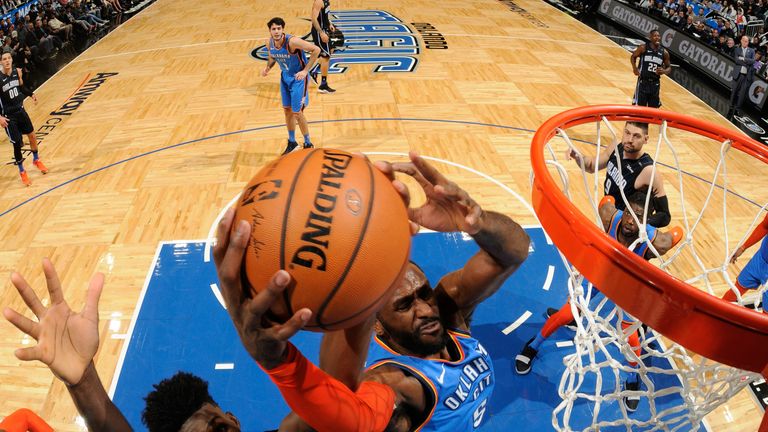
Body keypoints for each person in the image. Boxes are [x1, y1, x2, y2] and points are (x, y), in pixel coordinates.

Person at [515, 192, 684, 413]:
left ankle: (633, 379)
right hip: (601, 273)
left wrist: (672, 228)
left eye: (638, 217)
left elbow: (677, 234)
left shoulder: (654, 240)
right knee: (567, 314)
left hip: (627, 284)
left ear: (646, 221)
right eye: (629, 213)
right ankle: (533, 345)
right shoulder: (610, 217)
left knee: (631, 337)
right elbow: (607, 199)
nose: (631, 220)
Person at [566, 121, 671, 228]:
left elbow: (665, 215)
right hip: (608, 216)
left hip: (626, 229)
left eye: (636, 136)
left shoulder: (648, 171)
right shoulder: (617, 146)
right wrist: (577, 156)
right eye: (627, 133)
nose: (630, 140)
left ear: (646, 139)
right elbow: (591, 165)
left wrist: (639, 222)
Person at [262, 17, 320, 155]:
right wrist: (268, 68)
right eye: (273, 29)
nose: (276, 31)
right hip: (285, 77)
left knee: (297, 113)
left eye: (279, 28)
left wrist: (306, 71)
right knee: (287, 111)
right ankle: (292, 142)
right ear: (270, 30)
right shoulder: (269, 42)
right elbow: (272, 56)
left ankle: (308, 143)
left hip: (298, 78)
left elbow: (316, 50)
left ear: (283, 29)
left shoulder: (292, 42)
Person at [0, 49, 48, 186]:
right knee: (17, 144)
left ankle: (36, 159)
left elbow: (21, 88)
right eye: (4, 59)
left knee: (32, 135)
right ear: (1, 62)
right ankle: (22, 172)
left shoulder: (16, 72)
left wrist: (30, 94)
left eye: (9, 58)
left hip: (20, 111)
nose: (7, 60)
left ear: (11, 60)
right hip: (9, 117)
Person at [723, 213, 768, 312]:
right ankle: (714, 317)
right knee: (734, 292)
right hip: (760, 260)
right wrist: (743, 247)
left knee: (765, 316)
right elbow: (765, 226)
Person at [630, 29, 672, 109]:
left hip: (655, 84)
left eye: (658, 36)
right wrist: (634, 68)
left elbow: (669, 68)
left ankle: (644, 122)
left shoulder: (664, 52)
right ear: (650, 37)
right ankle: (634, 121)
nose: (657, 37)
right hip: (643, 82)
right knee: (638, 109)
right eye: (655, 36)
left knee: (653, 110)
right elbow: (633, 57)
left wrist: (664, 71)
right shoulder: (643, 48)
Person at [310, 0, 336, 93]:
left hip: (325, 29)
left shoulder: (326, 1)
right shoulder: (318, 2)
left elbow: (325, 14)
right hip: (319, 32)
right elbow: (314, 19)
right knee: (326, 57)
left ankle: (313, 70)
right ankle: (323, 85)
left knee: (331, 50)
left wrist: (329, 23)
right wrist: (321, 33)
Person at [727, 35, 755, 119]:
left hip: (746, 77)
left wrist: (743, 59)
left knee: (742, 94)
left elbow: (752, 61)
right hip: (738, 74)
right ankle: (731, 108)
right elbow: (736, 60)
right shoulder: (737, 49)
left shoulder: (752, 51)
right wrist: (746, 62)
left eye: (747, 41)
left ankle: (737, 109)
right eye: (744, 41)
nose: (745, 42)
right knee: (734, 92)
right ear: (741, 41)